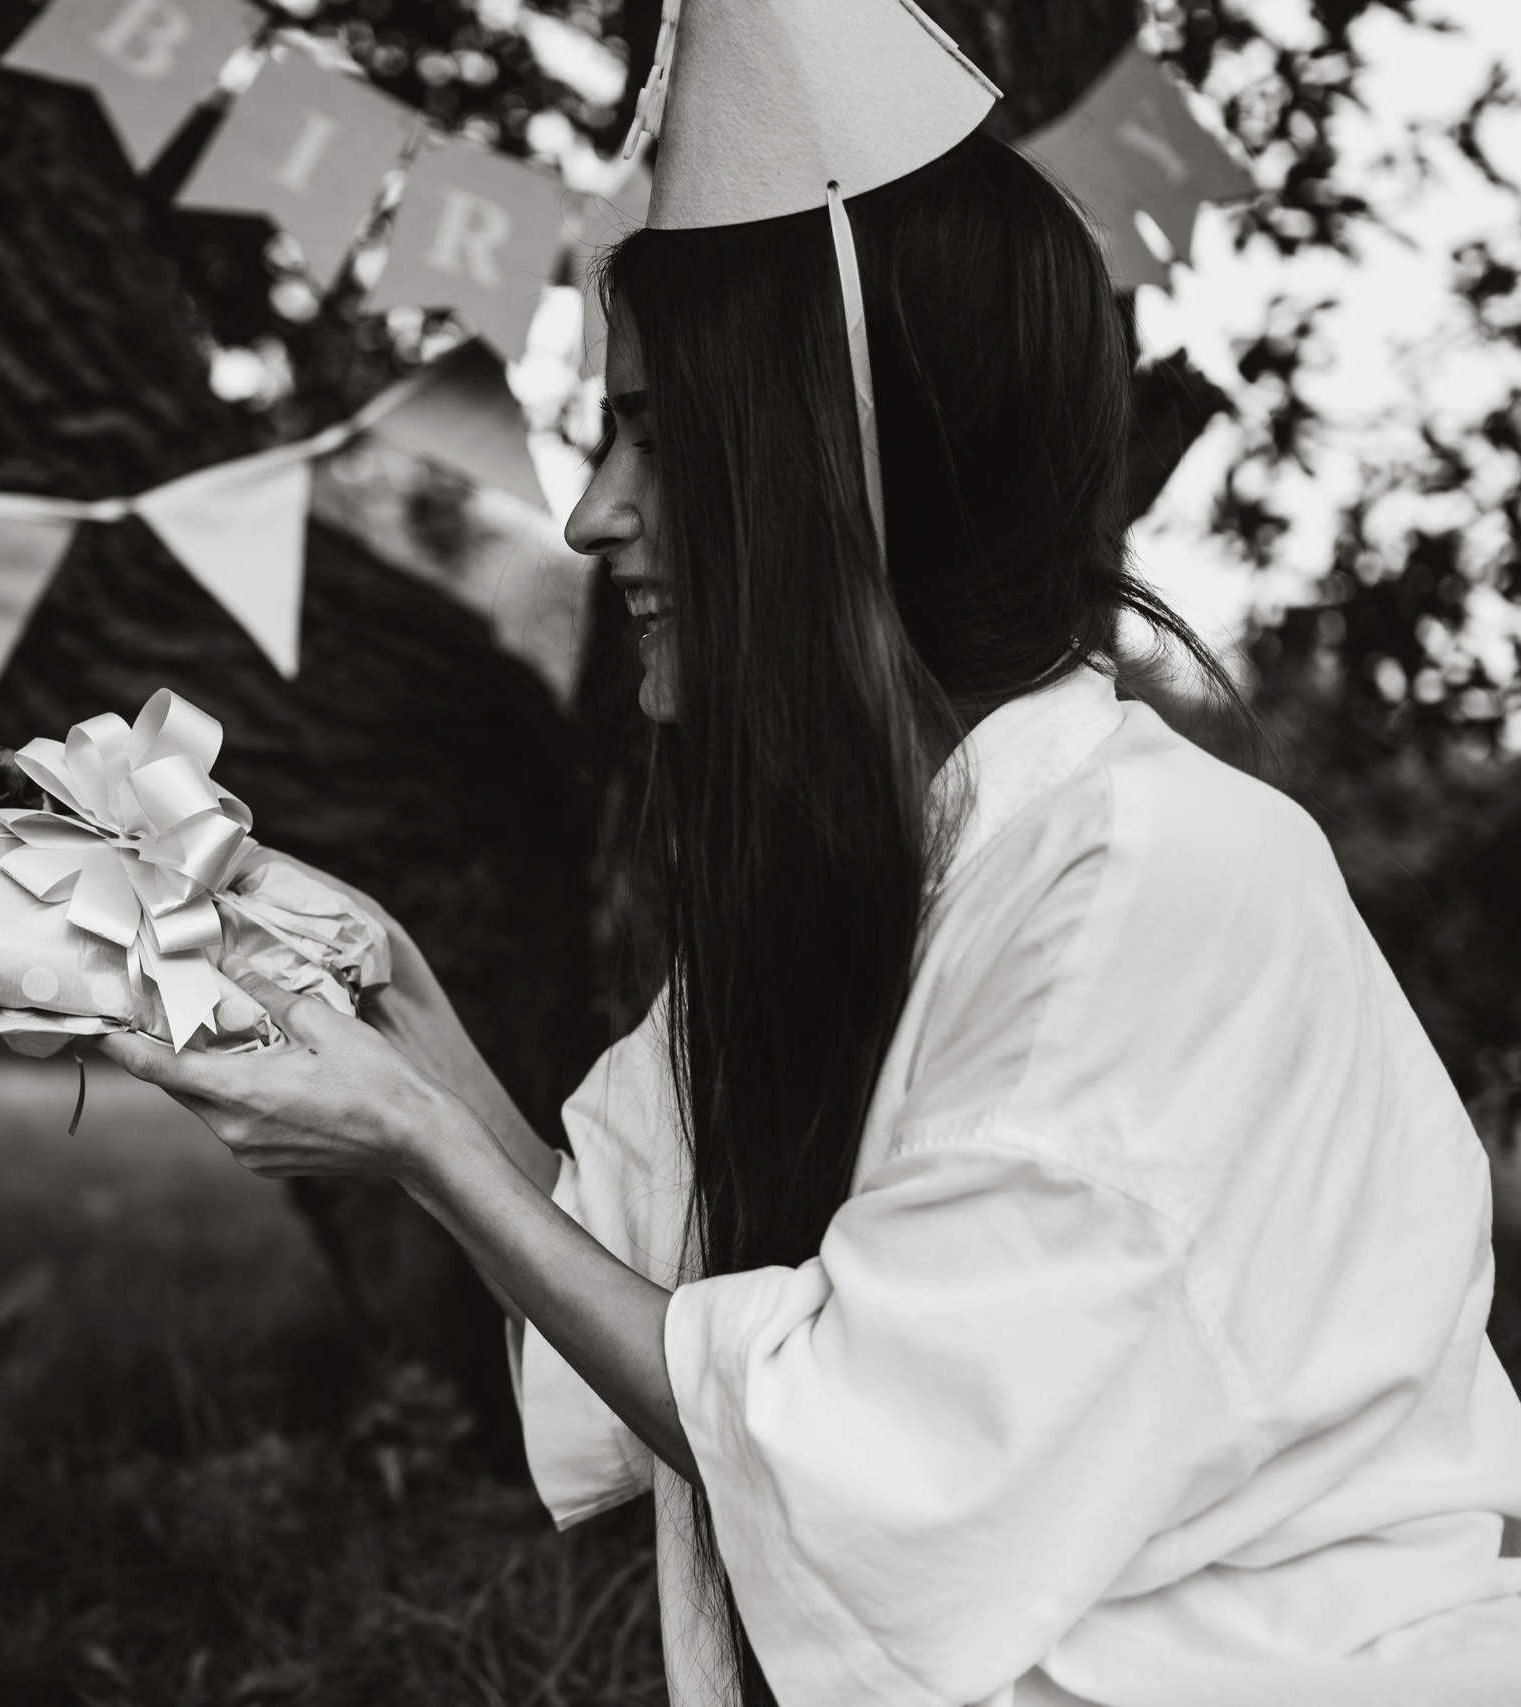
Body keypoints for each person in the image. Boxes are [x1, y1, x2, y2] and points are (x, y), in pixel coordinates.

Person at [100, 3, 1521, 1702]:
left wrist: (417, 1141)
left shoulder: (1150, 876)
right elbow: (638, 1286)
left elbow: (850, 1448)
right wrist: (405, 1017)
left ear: (827, 469)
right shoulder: (902, 864)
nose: (587, 510)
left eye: (651, 433)